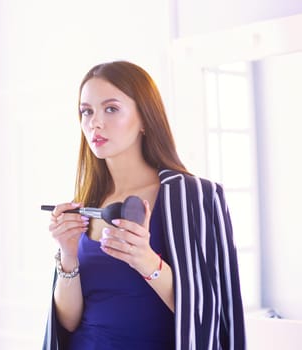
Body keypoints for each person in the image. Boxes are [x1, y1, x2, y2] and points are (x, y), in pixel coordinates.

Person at [42, 61, 245, 350]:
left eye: (111, 109)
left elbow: (209, 314)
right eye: (86, 111)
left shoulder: (195, 196)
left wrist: (146, 260)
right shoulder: (86, 203)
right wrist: (68, 255)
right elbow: (69, 323)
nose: (94, 123)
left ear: (145, 119)